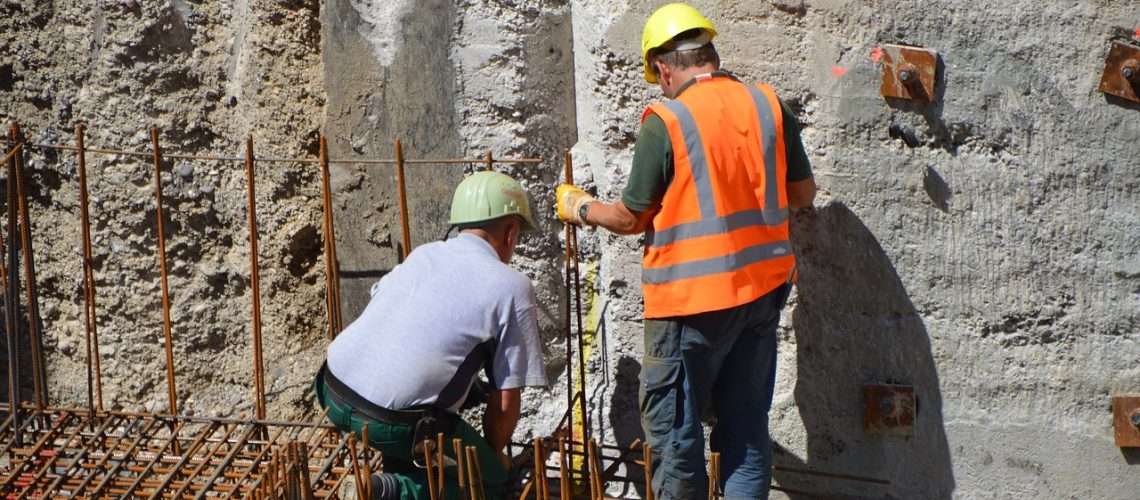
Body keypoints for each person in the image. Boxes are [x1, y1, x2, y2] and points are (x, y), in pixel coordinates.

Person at [555, 3, 817, 498]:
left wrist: (581, 207)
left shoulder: (667, 120)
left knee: (677, 440)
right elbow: (802, 195)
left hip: (689, 308)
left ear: (663, 66)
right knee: (745, 432)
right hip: (760, 298)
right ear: (709, 55)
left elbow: (632, 219)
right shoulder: (767, 105)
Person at [317, 171, 548, 500]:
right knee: (488, 480)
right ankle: (391, 490)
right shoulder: (512, 287)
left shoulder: (423, 254)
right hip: (391, 421)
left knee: (420, 430)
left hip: (331, 390)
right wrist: (491, 456)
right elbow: (506, 400)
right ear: (510, 232)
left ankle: (393, 473)